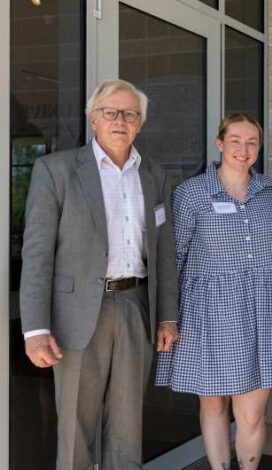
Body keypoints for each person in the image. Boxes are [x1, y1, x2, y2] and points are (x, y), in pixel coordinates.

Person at [20, 78, 179, 469]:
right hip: (76, 315)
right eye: (110, 113)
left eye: (129, 114)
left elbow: (163, 252)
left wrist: (167, 316)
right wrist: (35, 328)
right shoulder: (56, 170)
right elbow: (37, 253)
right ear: (93, 120)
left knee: (128, 427)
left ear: (139, 124)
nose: (119, 121)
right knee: (75, 427)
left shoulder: (154, 177)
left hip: (135, 307)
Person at [155, 112, 272, 470]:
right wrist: (168, 315)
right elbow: (175, 257)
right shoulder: (190, 193)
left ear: (258, 148)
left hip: (262, 310)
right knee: (213, 405)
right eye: (235, 141)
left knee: (252, 412)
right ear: (219, 144)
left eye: (251, 142)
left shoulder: (271, 192)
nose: (243, 150)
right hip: (208, 310)